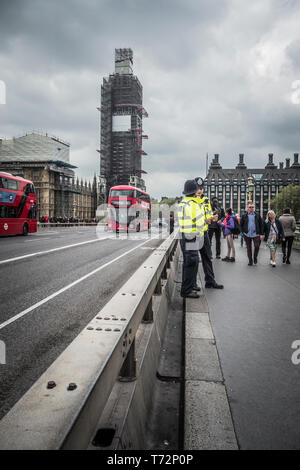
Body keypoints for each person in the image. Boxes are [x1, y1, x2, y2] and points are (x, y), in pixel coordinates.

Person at [178, 179, 206, 298]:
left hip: (185, 235)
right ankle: (187, 290)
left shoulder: (183, 203)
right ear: (194, 192)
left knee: (188, 262)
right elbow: (200, 222)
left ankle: (188, 288)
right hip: (192, 236)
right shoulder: (193, 205)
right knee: (191, 262)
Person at [194, 177, 224, 289]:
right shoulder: (191, 201)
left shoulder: (206, 200)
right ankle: (193, 284)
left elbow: (207, 215)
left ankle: (210, 281)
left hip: (204, 233)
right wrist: (204, 220)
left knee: (208, 257)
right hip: (193, 233)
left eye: (201, 188)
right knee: (193, 259)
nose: (200, 190)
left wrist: (212, 218)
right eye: (198, 187)